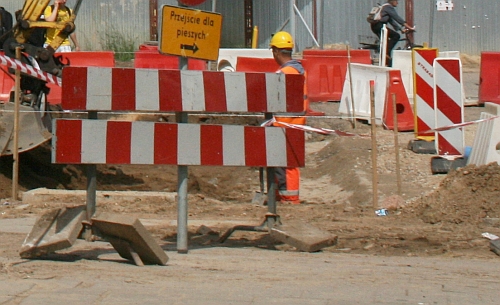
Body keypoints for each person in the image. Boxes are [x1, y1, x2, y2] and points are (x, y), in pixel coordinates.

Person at [269, 31, 306, 205]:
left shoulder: (284, 74)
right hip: (296, 123)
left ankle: (289, 197)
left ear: (276, 51)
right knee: (289, 162)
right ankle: (285, 195)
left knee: (284, 163)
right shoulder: (299, 70)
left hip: (284, 124)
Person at [370, 0, 414, 66]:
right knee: (396, 36)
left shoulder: (385, 7)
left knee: (386, 43)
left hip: (375, 26)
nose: (397, 3)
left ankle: (387, 61)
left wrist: (400, 29)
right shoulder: (388, 7)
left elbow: (391, 21)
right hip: (379, 26)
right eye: (396, 1)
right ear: (392, 1)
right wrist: (410, 27)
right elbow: (397, 18)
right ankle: (385, 53)